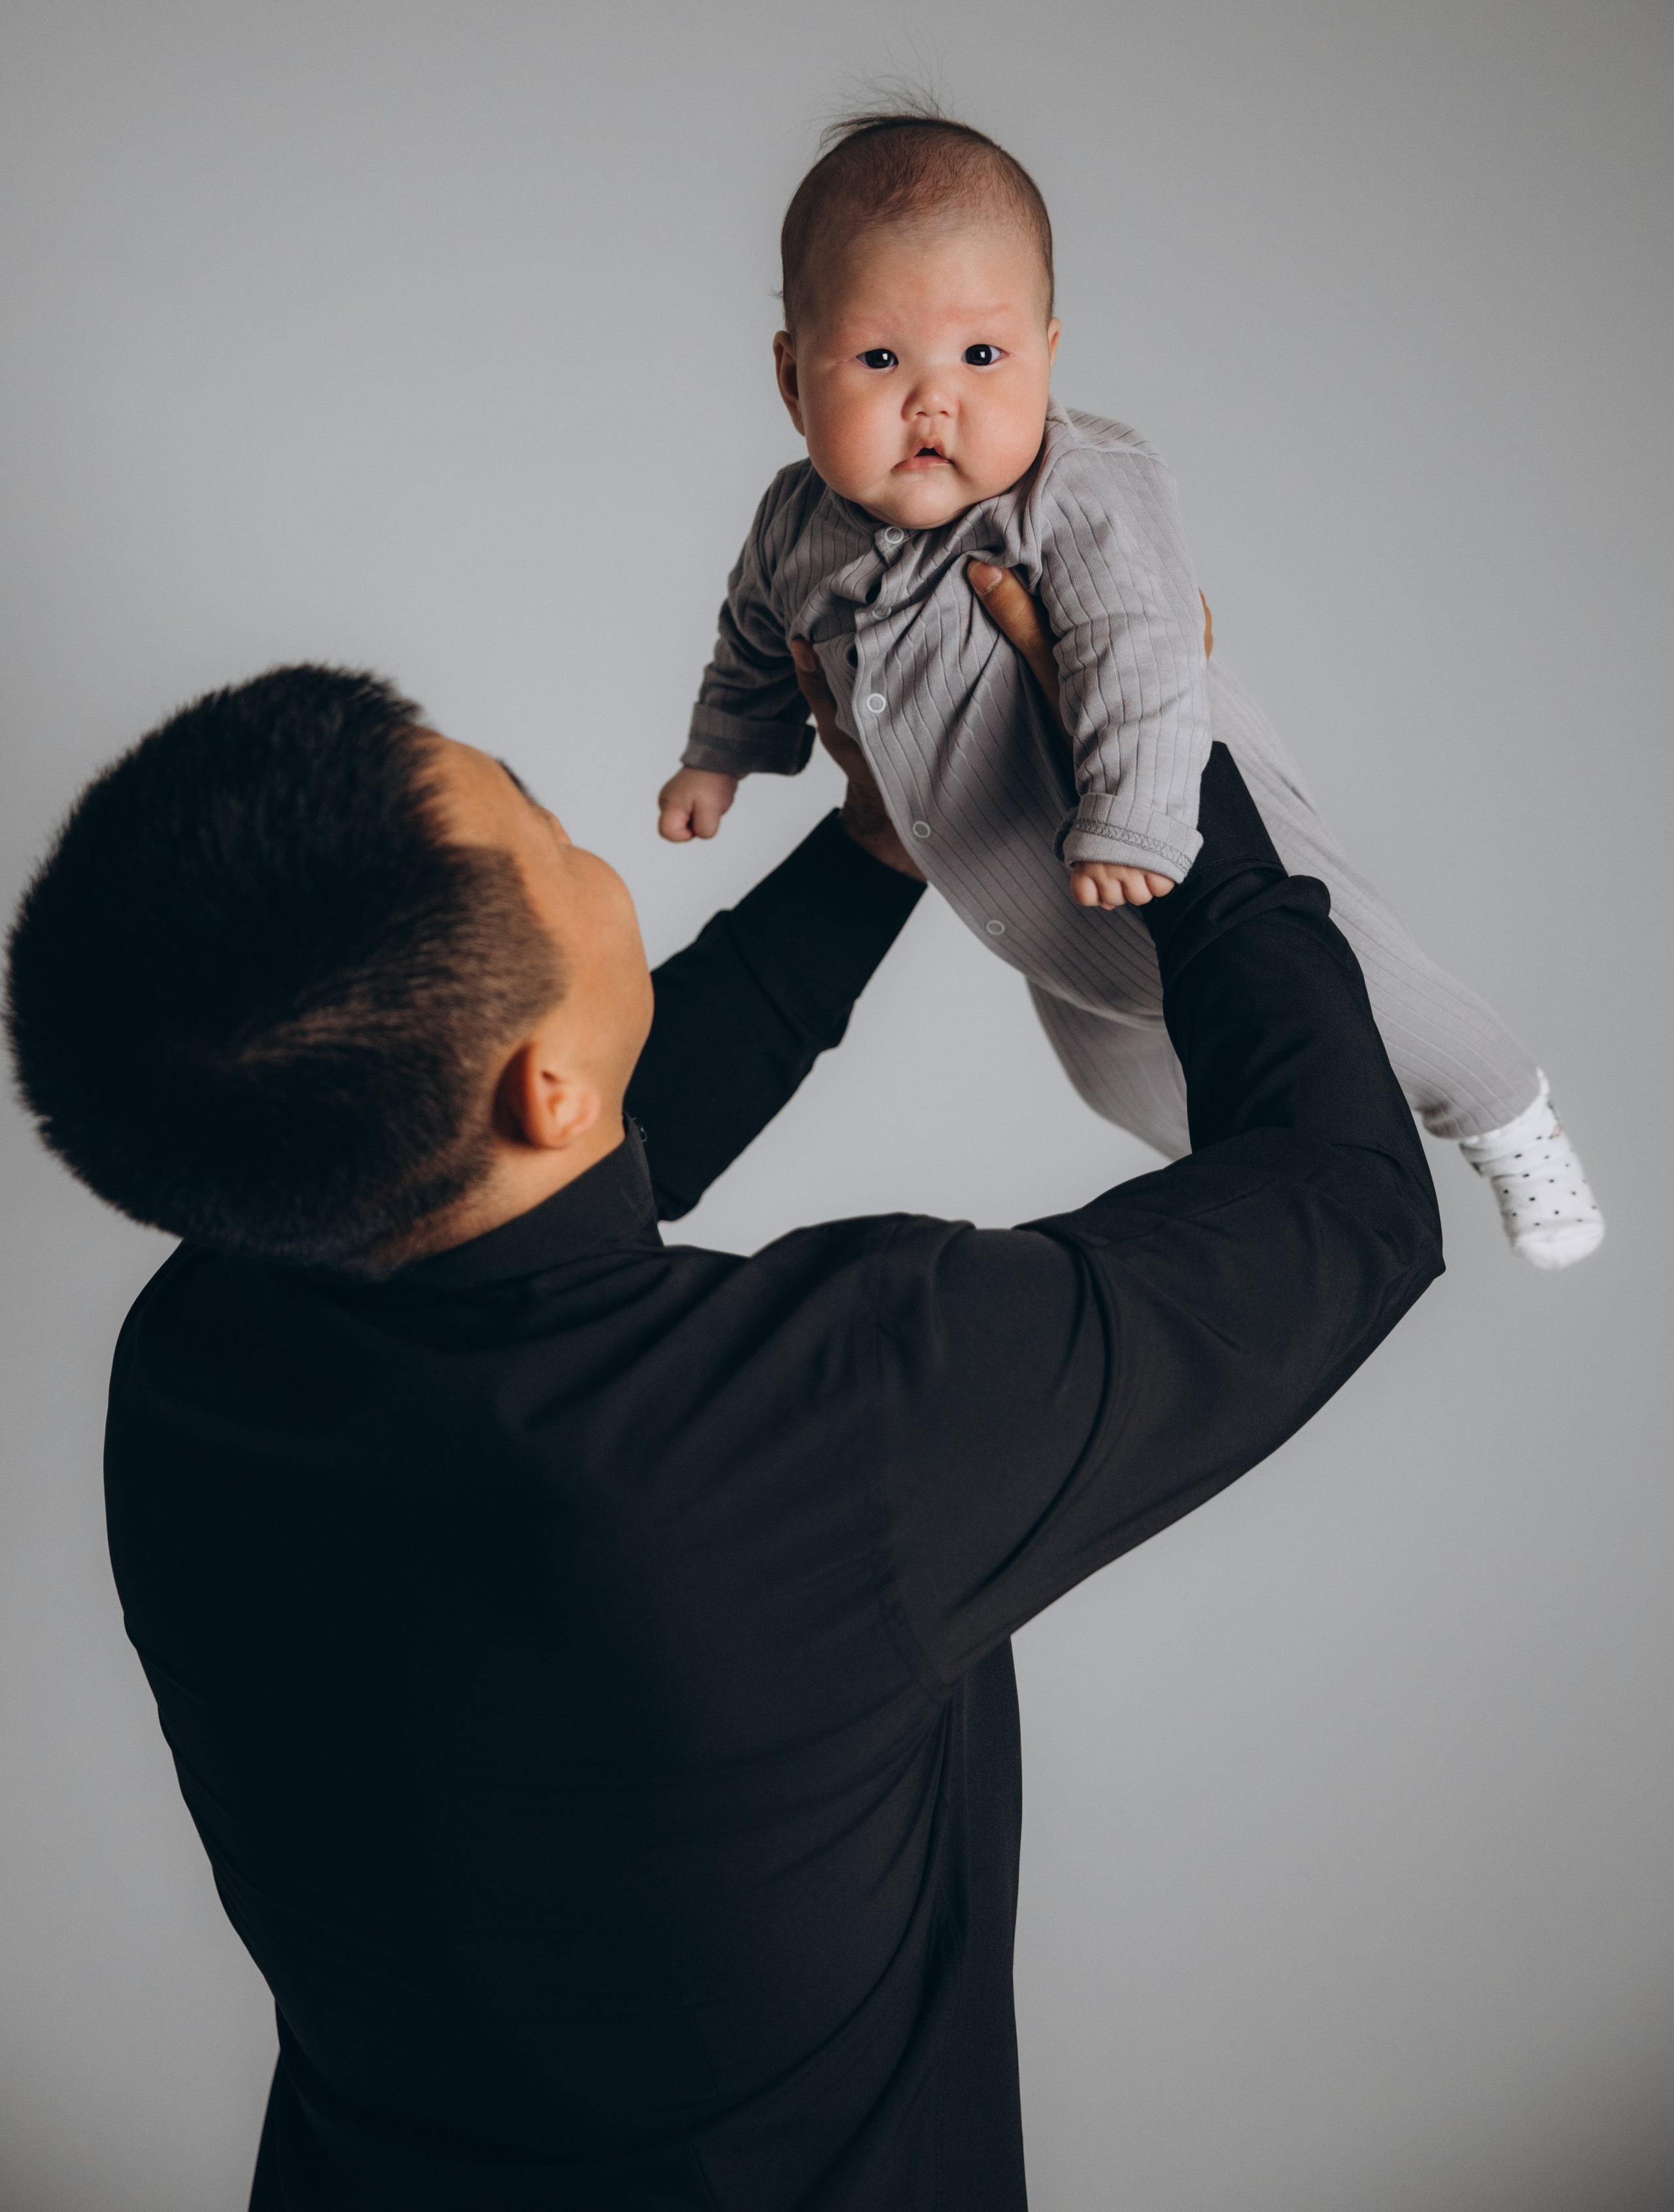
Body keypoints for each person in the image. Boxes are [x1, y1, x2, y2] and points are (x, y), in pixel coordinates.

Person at [5, 570, 1442, 2210]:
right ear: (540, 1087)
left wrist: (877, 846)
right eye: (555, 840)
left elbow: (551, 1160)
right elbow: (1347, 1204)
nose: (592, 856)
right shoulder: (838, 1423)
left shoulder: (199, 1353)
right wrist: (1154, 755)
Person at [657, 107, 1603, 1269]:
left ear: (1048, 354)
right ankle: (1259, 1164)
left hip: (1166, 822)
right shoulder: (794, 523)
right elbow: (755, 638)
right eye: (879, 360)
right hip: (1025, 884)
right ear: (792, 379)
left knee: (1359, 981)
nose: (934, 401)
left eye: (982, 357)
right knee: (1112, 1067)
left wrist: (1135, 820)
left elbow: (1142, 646)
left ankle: (1508, 1113)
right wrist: (721, 755)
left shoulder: (1077, 489)